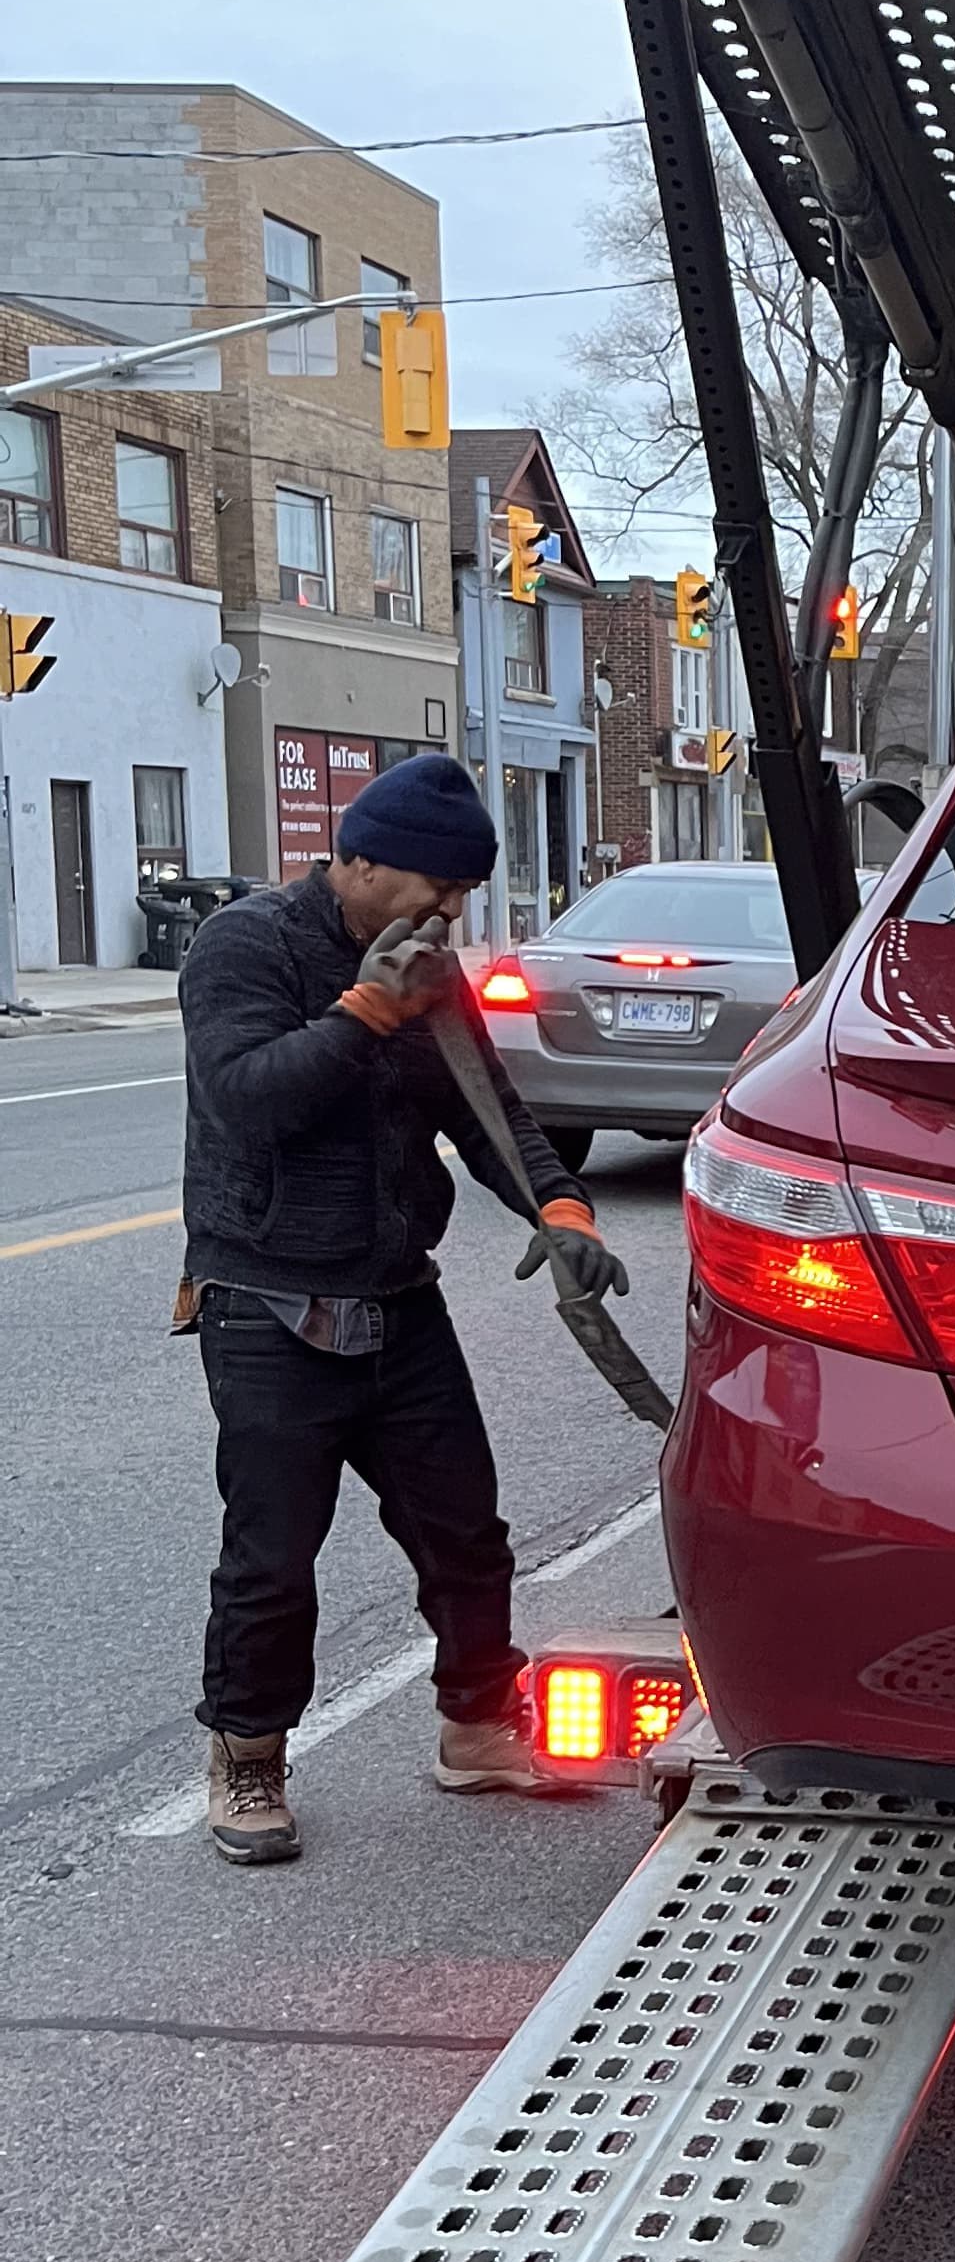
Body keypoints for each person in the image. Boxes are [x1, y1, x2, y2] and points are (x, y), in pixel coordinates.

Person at [176, 752, 635, 1866]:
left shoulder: (433, 968)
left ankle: (477, 1729)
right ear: (360, 859)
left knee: (464, 1532)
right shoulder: (245, 948)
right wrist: (369, 1009)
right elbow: (250, 1103)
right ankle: (247, 1759)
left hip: (396, 1295)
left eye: (466, 892)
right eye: (438, 884)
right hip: (267, 1301)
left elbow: (490, 1116)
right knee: (273, 1557)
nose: (452, 909)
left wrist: (563, 1207)